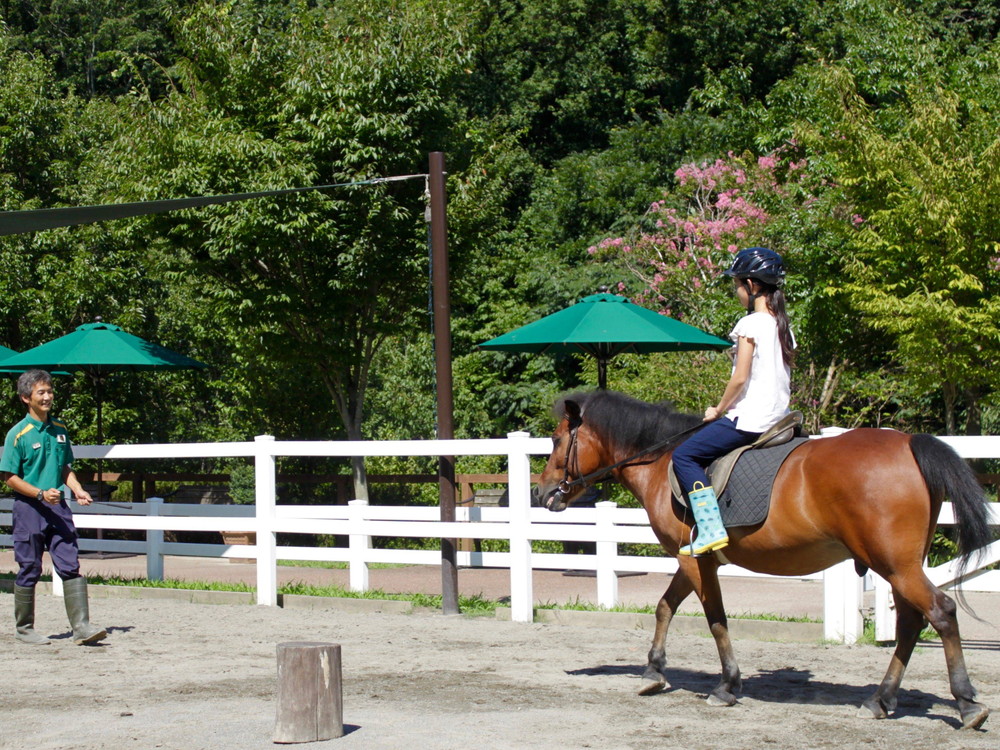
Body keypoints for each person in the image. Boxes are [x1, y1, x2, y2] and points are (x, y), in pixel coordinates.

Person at [672, 247, 795, 556]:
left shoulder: (751, 324)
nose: (737, 292)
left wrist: (718, 409)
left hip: (752, 419)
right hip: (780, 417)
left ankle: (710, 528)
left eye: (737, 285)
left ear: (752, 285)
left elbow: (740, 377)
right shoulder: (783, 327)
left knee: (685, 456)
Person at [2, 369, 107, 645]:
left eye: (49, 391)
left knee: (70, 564)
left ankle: (82, 627)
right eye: (41, 392)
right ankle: (24, 629)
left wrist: (78, 488)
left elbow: (64, 467)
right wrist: (38, 494)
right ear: (26, 398)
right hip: (29, 510)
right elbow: (9, 477)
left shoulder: (60, 429)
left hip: (58, 509)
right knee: (29, 568)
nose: (48, 396)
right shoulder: (18, 434)